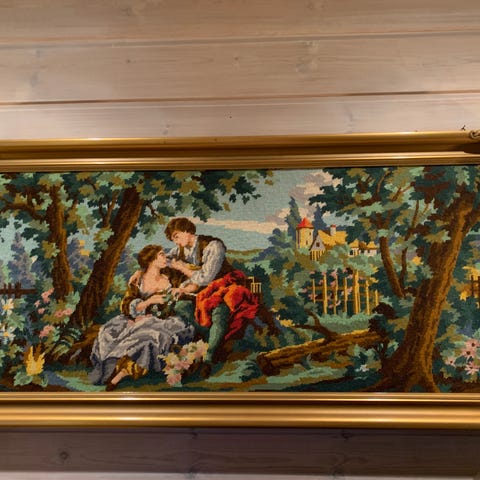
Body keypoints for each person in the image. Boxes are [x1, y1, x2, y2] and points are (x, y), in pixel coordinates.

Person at [89, 244, 195, 390]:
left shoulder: (171, 276)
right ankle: (113, 369)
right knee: (110, 333)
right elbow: (126, 304)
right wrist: (149, 301)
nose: (165, 257)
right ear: (151, 259)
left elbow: (195, 281)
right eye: (161, 254)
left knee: (150, 337)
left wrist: (182, 288)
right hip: (138, 318)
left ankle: (122, 373)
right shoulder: (138, 280)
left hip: (165, 321)